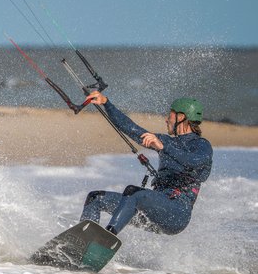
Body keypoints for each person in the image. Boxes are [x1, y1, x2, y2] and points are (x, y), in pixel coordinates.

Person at [80, 91, 212, 235]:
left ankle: (104, 239)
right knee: (96, 198)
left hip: (176, 214)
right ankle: (81, 240)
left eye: (170, 115)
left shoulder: (201, 145)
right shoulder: (166, 140)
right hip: (151, 211)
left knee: (133, 192)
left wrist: (163, 147)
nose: (166, 120)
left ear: (181, 117)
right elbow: (132, 129)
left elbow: (193, 161)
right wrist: (106, 103)